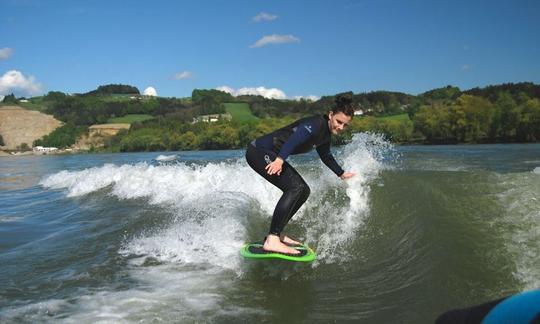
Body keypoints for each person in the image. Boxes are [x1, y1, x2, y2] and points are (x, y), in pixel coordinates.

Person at [245, 94, 356, 255]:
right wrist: (280, 160)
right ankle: (272, 239)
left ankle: (277, 233)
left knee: (304, 190)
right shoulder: (316, 124)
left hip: (272, 155)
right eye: (339, 122)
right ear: (331, 115)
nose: (340, 127)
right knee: (295, 187)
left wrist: (341, 173)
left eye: (345, 125)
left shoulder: (325, 134)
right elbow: (294, 139)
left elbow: (326, 156)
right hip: (259, 151)